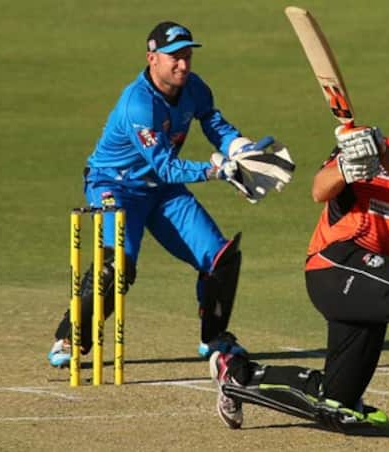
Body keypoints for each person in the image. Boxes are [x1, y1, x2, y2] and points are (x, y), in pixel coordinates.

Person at [208, 83, 389, 447]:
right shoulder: (360, 152)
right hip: (334, 264)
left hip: (367, 281)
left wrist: (381, 154)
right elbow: (319, 190)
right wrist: (345, 164)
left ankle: (238, 375)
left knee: (336, 401)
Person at [48, 21, 295, 367]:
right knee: (116, 267)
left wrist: (239, 147)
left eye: (187, 56)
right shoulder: (139, 105)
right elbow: (166, 166)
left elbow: (212, 122)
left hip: (161, 191)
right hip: (115, 185)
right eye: (174, 57)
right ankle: (69, 338)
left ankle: (214, 338)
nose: (183, 64)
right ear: (152, 58)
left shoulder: (194, 88)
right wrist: (217, 170)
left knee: (221, 258)